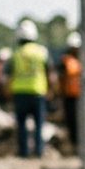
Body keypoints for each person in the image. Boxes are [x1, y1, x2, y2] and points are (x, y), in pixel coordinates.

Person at [7, 20, 51, 159]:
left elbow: (10, 72)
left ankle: (23, 151)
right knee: (39, 124)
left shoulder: (16, 53)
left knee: (21, 125)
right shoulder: (41, 52)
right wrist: (52, 90)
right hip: (38, 91)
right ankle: (38, 151)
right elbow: (49, 71)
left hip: (20, 92)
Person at [57, 30, 83, 151]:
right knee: (72, 122)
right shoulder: (65, 61)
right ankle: (75, 146)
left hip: (82, 96)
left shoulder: (82, 59)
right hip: (70, 96)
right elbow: (61, 78)